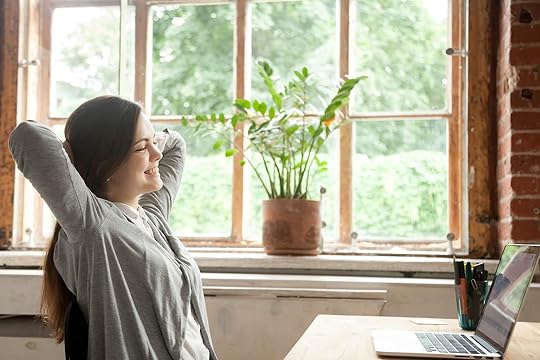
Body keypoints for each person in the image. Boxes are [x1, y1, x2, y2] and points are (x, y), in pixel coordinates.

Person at [9, 95, 218, 360]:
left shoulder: (152, 217)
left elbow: (176, 144)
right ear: (106, 160)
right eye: (142, 148)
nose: (158, 154)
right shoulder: (94, 226)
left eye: (153, 143)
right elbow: (28, 136)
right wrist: (80, 157)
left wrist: (145, 140)